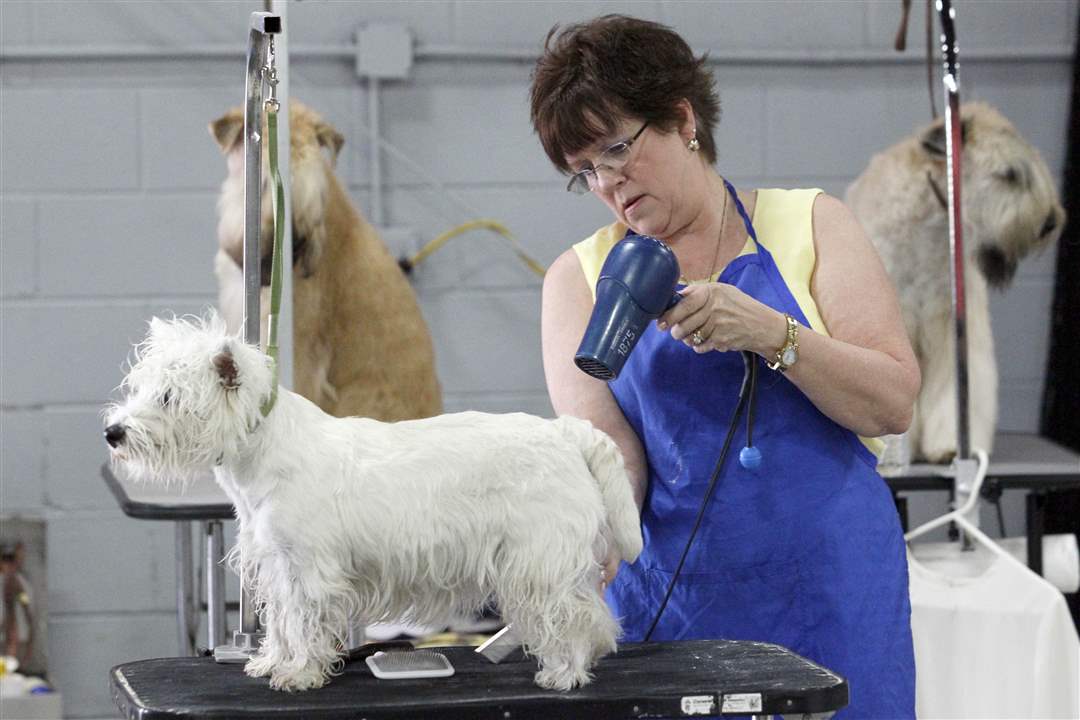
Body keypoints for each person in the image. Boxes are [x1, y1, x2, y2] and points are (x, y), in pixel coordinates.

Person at [530, 15, 920, 718]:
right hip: (674, 606)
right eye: (584, 171)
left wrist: (775, 335)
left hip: (830, 597)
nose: (608, 183)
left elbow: (892, 403)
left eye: (617, 149)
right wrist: (588, 525)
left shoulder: (812, 224)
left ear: (683, 119)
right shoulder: (577, 280)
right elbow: (611, 450)